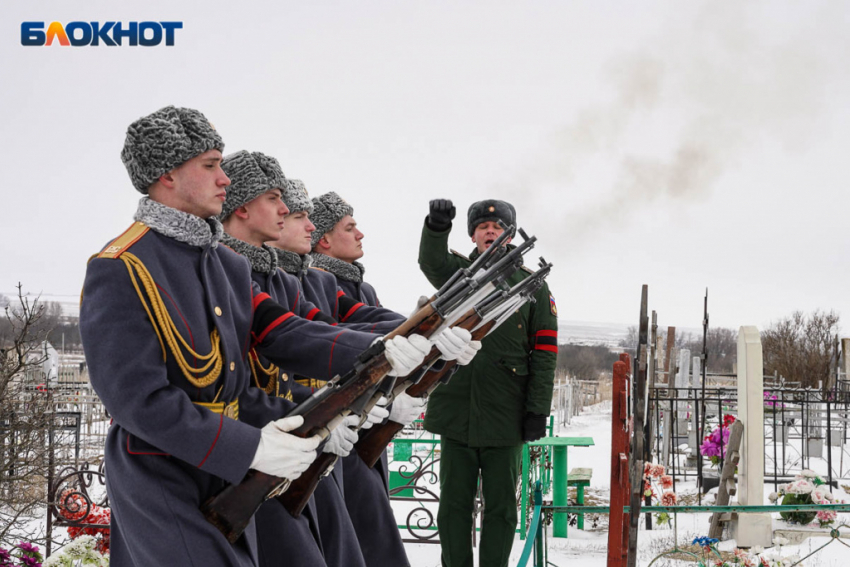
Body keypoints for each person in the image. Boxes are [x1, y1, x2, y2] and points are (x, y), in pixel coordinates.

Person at [78, 106, 431, 567]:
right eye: (210, 165)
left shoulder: (227, 264)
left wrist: (382, 350)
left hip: (230, 468)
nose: (223, 179)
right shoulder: (121, 266)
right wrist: (252, 446)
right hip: (161, 473)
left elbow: (284, 333)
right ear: (166, 174)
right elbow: (138, 401)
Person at [418, 198, 559, 567]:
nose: (490, 232)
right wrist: (436, 227)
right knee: (453, 508)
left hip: (506, 413)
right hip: (457, 409)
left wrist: (535, 411)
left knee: (501, 510)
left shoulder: (534, 287)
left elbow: (544, 354)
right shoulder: (458, 274)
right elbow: (430, 261)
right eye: (482, 227)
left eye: (497, 228)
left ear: (510, 235)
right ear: (472, 234)